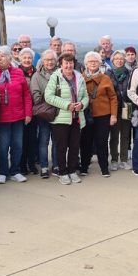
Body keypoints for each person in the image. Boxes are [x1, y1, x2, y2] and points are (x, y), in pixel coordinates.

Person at [45, 53, 89, 185]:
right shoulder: (55, 77)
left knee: (75, 146)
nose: (69, 65)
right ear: (61, 64)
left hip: (76, 118)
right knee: (61, 147)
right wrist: (66, 105)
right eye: (66, 63)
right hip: (60, 119)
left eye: (71, 63)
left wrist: (82, 105)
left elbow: (86, 96)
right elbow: (48, 96)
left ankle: (72, 171)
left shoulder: (79, 77)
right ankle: (63, 172)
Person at [0, 46, 32, 184]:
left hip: (18, 116)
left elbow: (26, 94)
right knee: (2, 146)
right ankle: (3, 171)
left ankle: (15, 170)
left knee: (17, 145)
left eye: (3, 56)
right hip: (1, 117)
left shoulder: (18, 73)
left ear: (10, 58)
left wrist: (28, 113)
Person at [80, 51, 118, 177]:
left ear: (100, 63)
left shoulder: (106, 78)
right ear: (86, 63)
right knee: (85, 142)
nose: (92, 64)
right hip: (86, 115)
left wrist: (113, 115)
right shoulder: (80, 78)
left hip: (103, 115)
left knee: (102, 142)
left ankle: (104, 168)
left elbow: (113, 97)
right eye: (90, 61)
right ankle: (84, 167)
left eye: (95, 61)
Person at [31, 49, 59, 178]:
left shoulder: (61, 73)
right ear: (42, 61)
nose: (49, 62)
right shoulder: (37, 75)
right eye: (47, 60)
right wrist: (50, 97)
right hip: (44, 114)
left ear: (56, 61)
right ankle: (43, 167)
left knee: (57, 140)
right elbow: (35, 95)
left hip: (59, 112)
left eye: (52, 59)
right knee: (43, 141)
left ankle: (56, 165)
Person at [108, 50, 132, 171]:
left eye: (121, 58)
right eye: (116, 58)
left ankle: (124, 159)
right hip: (114, 108)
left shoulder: (130, 73)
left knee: (125, 135)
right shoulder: (108, 74)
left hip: (127, 107)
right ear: (112, 61)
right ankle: (114, 159)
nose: (119, 60)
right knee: (114, 136)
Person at [19, 48, 39, 175]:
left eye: (29, 58)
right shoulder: (16, 72)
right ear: (20, 59)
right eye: (24, 58)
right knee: (21, 139)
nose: (27, 60)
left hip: (34, 110)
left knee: (32, 139)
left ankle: (31, 163)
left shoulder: (37, 73)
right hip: (20, 111)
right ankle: (22, 165)